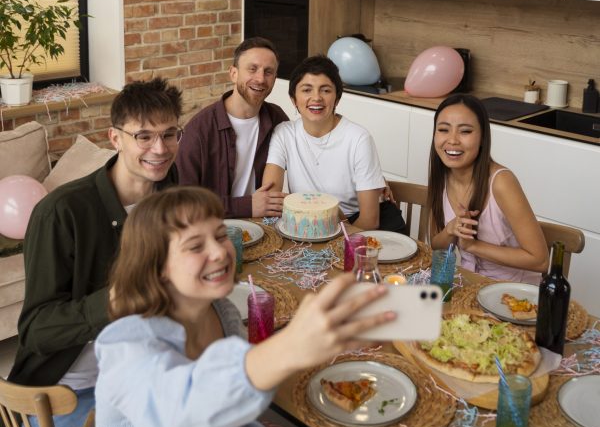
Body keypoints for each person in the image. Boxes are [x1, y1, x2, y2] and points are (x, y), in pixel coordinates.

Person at [95, 186, 392, 427]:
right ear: (157, 265)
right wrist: (287, 347)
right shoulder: (125, 342)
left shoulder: (223, 313)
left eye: (221, 235)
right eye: (195, 246)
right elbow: (177, 418)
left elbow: (240, 426)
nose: (220, 253)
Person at [5, 78, 182, 427]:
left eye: (170, 134)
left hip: (143, 375)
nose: (160, 148)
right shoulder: (62, 213)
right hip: (69, 392)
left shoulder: (171, 194)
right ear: (115, 138)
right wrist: (114, 302)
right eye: (144, 136)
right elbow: (37, 330)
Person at [263, 55, 404, 232]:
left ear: (337, 99)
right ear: (293, 99)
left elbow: (370, 221)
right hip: (313, 227)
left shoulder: (358, 138)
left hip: (359, 227)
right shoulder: (284, 133)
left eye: (325, 90)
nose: (316, 98)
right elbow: (271, 199)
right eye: (307, 90)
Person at [428, 93, 548, 284]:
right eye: (443, 130)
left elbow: (540, 260)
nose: (452, 140)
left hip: (516, 298)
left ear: (483, 137)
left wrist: (473, 246)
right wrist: (450, 230)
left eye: (465, 131)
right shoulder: (443, 174)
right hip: (470, 286)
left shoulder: (501, 182)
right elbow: (436, 245)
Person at [177, 37, 288, 219]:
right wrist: (246, 206)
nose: (260, 78)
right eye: (252, 69)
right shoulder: (199, 130)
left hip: (265, 226)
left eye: (268, 72)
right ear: (233, 73)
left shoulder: (277, 119)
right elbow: (182, 203)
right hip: (214, 230)